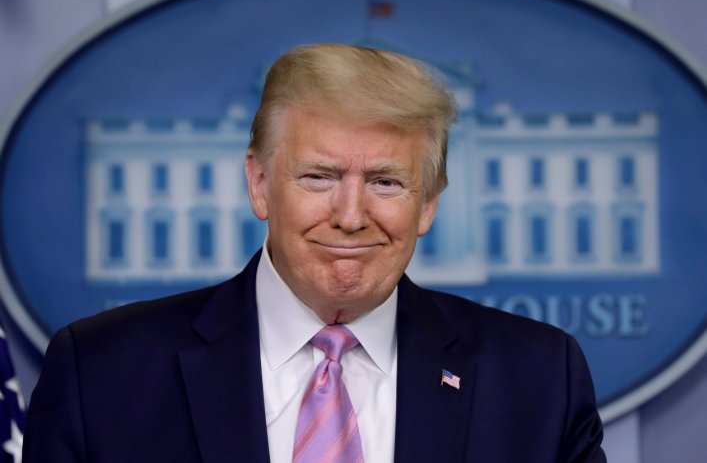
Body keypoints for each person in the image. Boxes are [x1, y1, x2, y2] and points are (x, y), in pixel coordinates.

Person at [23, 43, 606, 462]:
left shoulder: (537, 378)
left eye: (386, 182)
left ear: (427, 203)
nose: (350, 216)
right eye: (319, 177)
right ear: (258, 184)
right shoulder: (99, 372)